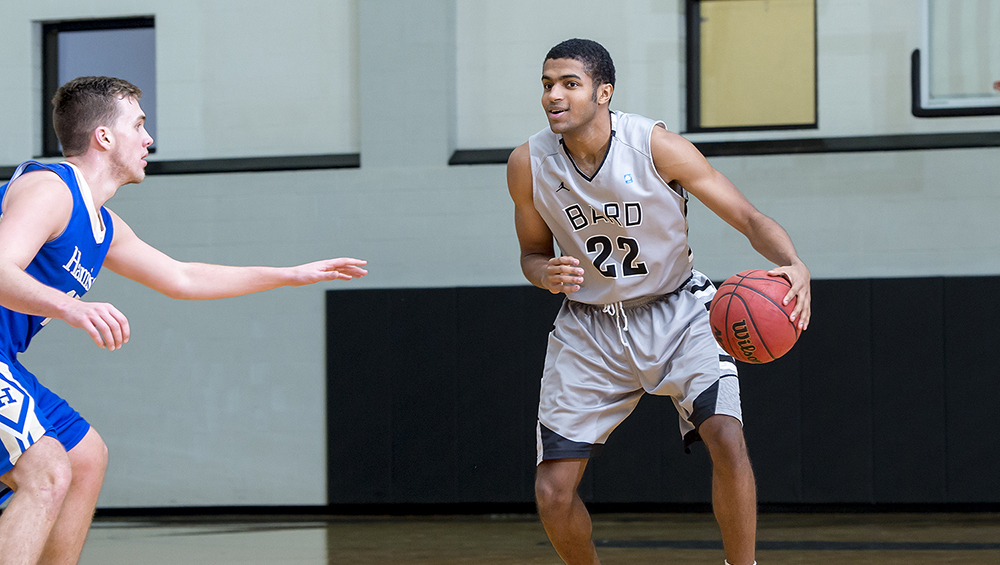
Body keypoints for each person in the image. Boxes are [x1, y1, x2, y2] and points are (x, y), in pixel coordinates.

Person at [0, 76, 367, 565]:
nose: (149, 139)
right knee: (47, 473)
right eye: (138, 125)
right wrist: (71, 306)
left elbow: (182, 277)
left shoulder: (101, 225)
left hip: (5, 360)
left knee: (85, 457)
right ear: (103, 137)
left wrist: (289, 274)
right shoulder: (50, 188)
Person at [506, 39, 811, 565]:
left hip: (678, 311)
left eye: (570, 84)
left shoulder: (655, 146)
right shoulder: (527, 164)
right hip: (589, 327)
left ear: (603, 93)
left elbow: (747, 217)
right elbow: (532, 255)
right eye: (547, 84)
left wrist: (793, 262)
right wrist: (544, 274)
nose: (554, 95)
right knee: (552, 493)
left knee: (726, 438)